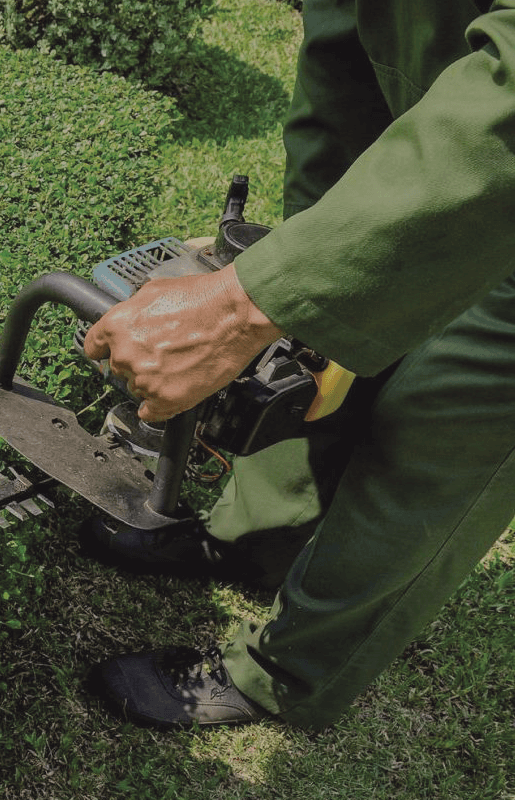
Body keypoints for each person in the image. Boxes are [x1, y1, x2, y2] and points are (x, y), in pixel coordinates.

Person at [78, 0, 515, 729]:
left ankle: (284, 673)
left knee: (445, 415)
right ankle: (258, 538)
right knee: (316, 330)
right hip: (443, 69)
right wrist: (308, 260)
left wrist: (245, 303)